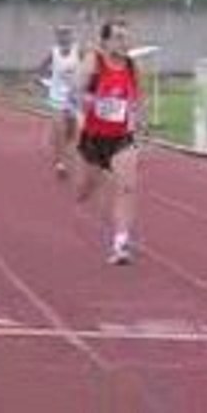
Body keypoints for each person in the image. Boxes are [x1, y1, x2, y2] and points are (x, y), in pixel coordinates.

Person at [75, 19, 144, 266]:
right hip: (93, 137)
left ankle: (121, 244)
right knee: (84, 190)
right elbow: (76, 91)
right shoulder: (94, 61)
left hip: (121, 137)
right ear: (105, 42)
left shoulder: (132, 66)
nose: (124, 43)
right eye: (118, 37)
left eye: (126, 37)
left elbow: (136, 99)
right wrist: (90, 100)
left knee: (127, 187)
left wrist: (137, 122)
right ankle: (89, 187)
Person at [38, 24, 83, 178]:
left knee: (73, 132)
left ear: (72, 35)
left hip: (74, 98)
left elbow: (88, 69)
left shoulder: (79, 51)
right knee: (60, 130)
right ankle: (60, 163)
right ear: (57, 37)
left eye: (67, 33)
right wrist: (45, 82)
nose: (65, 36)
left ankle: (64, 148)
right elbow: (41, 69)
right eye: (61, 34)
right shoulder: (53, 52)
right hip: (57, 98)